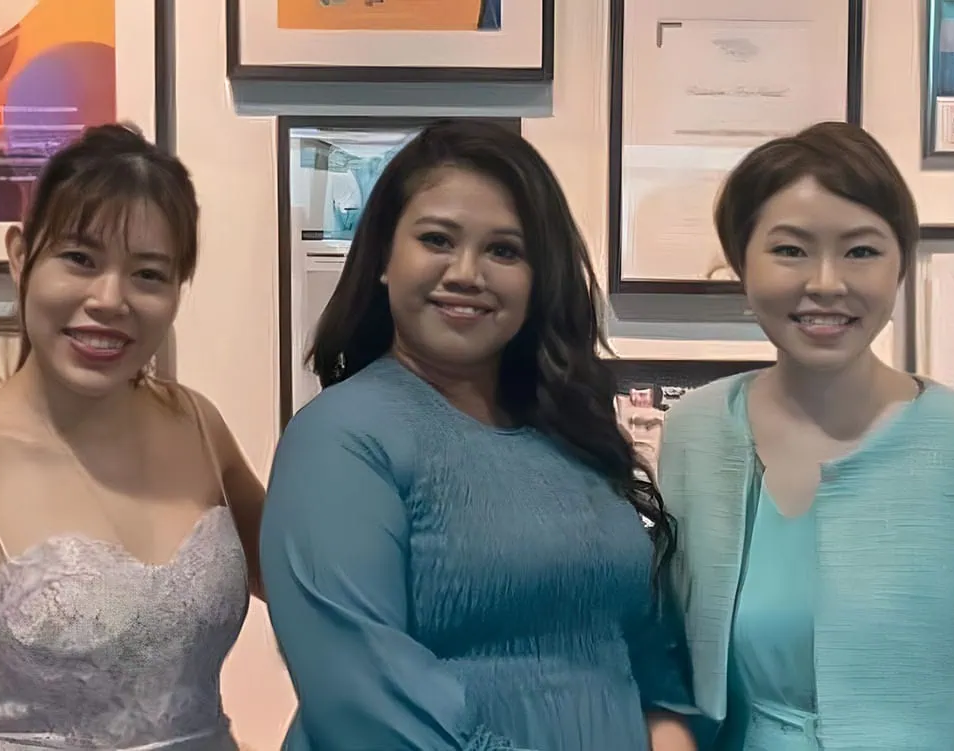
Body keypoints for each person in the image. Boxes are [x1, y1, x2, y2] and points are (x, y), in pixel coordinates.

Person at [259, 119, 696, 751]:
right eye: (437, 240)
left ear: (538, 278)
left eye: (504, 251)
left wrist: (670, 729)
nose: (467, 273)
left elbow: (643, 650)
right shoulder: (341, 439)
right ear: (382, 258)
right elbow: (363, 703)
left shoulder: (572, 432)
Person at [0, 123, 267, 751]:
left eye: (149, 274)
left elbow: (314, 590)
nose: (110, 299)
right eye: (80, 259)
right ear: (20, 256)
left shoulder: (197, 425)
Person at [659, 121, 954, 749]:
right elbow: (671, 653)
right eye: (790, 250)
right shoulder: (697, 429)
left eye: (861, 251)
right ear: (741, 262)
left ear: (901, 265)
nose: (825, 283)